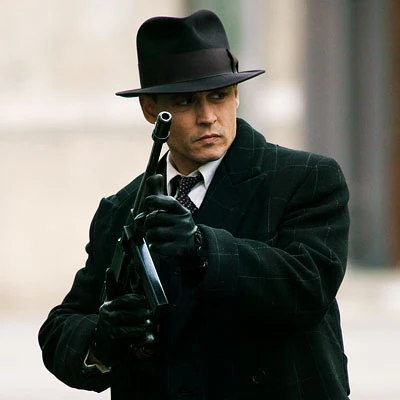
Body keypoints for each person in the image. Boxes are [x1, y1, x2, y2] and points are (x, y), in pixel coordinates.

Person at [38, 8, 351, 400]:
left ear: (236, 95)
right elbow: (60, 329)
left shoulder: (306, 178)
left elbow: (308, 286)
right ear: (151, 110)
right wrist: (103, 336)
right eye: (186, 102)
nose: (208, 117)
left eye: (218, 96)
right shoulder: (121, 209)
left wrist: (204, 250)